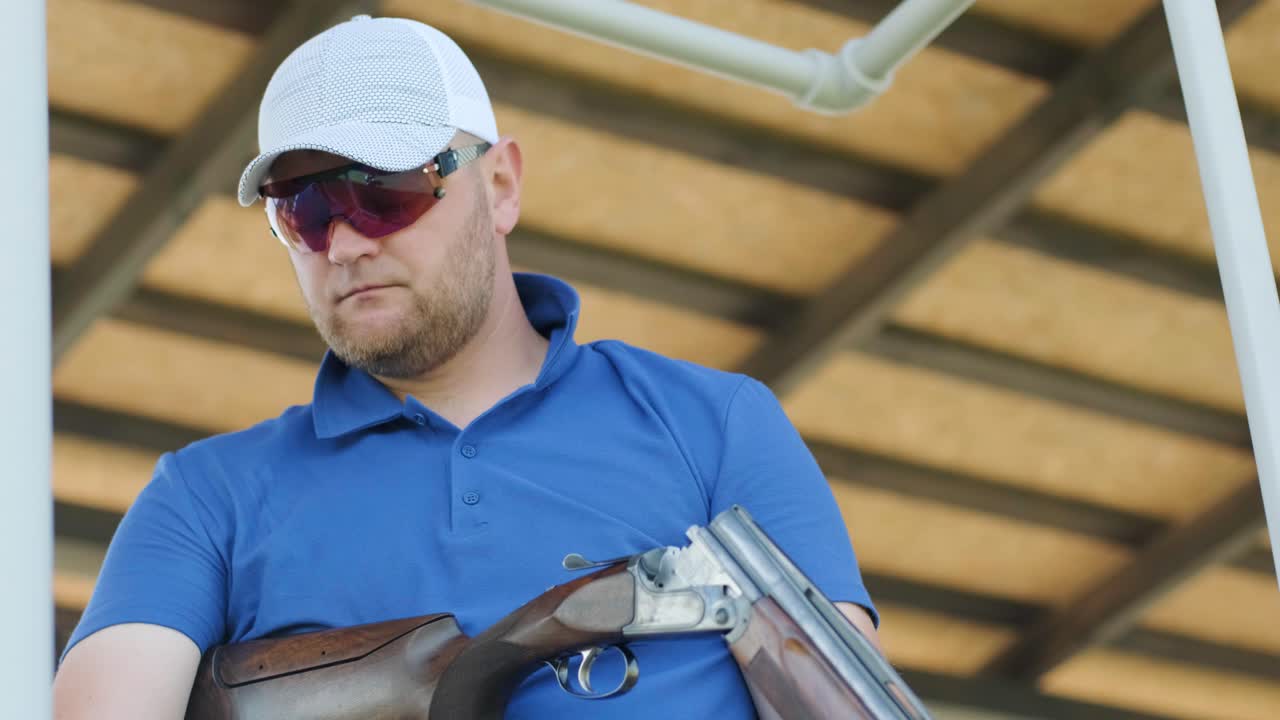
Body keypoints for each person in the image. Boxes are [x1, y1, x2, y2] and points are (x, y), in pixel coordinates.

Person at [52, 14, 879, 719]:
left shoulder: (714, 423)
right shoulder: (205, 496)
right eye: (301, 211)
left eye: (382, 191)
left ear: (503, 184)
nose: (344, 242)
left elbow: (832, 693)